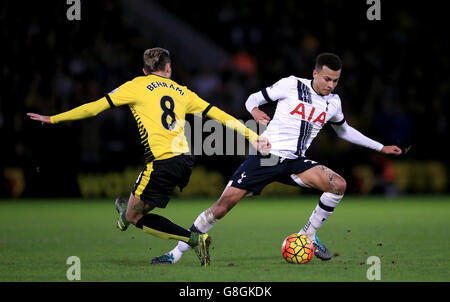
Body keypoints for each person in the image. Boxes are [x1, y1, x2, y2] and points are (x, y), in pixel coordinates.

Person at [27, 47, 270, 267]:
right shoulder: (183, 91)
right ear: (168, 68)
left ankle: (194, 238)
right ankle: (126, 215)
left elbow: (95, 107)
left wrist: (54, 118)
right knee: (135, 209)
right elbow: (219, 115)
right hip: (185, 160)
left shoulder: (135, 85)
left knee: (134, 215)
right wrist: (252, 135)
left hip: (162, 161)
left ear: (145, 71)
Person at [151, 52, 402, 264]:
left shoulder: (333, 103)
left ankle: (308, 235)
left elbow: (344, 130)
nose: (331, 85)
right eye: (327, 79)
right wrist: (256, 111)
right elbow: (252, 99)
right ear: (315, 73)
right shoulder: (291, 84)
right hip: (266, 157)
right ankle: (176, 253)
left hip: (295, 161)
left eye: (336, 80)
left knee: (338, 184)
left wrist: (380, 147)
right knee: (221, 207)